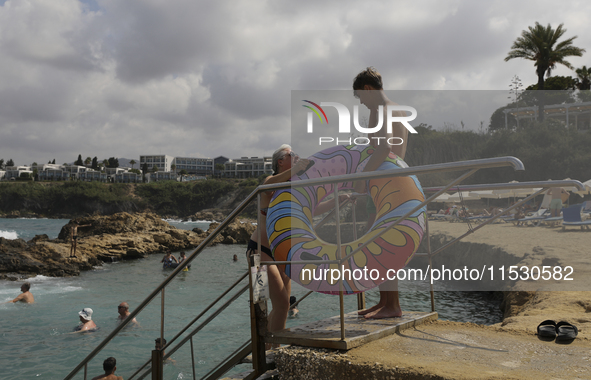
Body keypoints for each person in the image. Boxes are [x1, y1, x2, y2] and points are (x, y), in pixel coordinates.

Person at [352, 67, 408, 320]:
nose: (362, 103)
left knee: (382, 244)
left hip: (384, 183)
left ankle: (392, 304)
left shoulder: (380, 110)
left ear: (366, 89)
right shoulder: (396, 108)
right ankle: (384, 301)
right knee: (381, 242)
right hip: (395, 180)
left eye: (360, 97)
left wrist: (361, 179)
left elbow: (384, 147)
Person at [246, 144, 310, 348]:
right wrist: (298, 169)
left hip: (282, 251)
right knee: (271, 304)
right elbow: (270, 184)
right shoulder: (269, 182)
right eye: (292, 154)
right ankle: (270, 351)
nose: (297, 157)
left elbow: (310, 210)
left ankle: (272, 349)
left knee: (279, 306)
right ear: (280, 161)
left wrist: (341, 200)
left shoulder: (293, 186)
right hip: (259, 252)